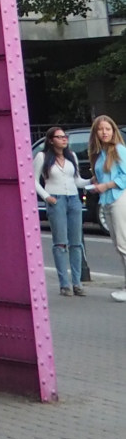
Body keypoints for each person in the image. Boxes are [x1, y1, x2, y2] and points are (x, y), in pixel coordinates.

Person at [35, 125, 86, 296]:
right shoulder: (42, 157)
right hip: (56, 199)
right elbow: (33, 180)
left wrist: (91, 181)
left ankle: (77, 283)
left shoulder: (71, 157)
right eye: (59, 137)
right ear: (51, 140)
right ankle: (65, 284)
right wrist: (46, 196)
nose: (64, 139)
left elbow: (77, 180)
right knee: (60, 243)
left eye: (65, 137)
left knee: (76, 243)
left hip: (73, 199)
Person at [88, 114, 126, 302]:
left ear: (113, 131)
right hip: (108, 201)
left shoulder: (119, 149)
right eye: (101, 129)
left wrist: (106, 185)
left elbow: (124, 177)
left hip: (119, 199)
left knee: (123, 244)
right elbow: (108, 174)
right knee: (119, 246)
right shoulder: (100, 153)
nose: (104, 132)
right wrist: (97, 181)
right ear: (95, 132)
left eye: (108, 129)